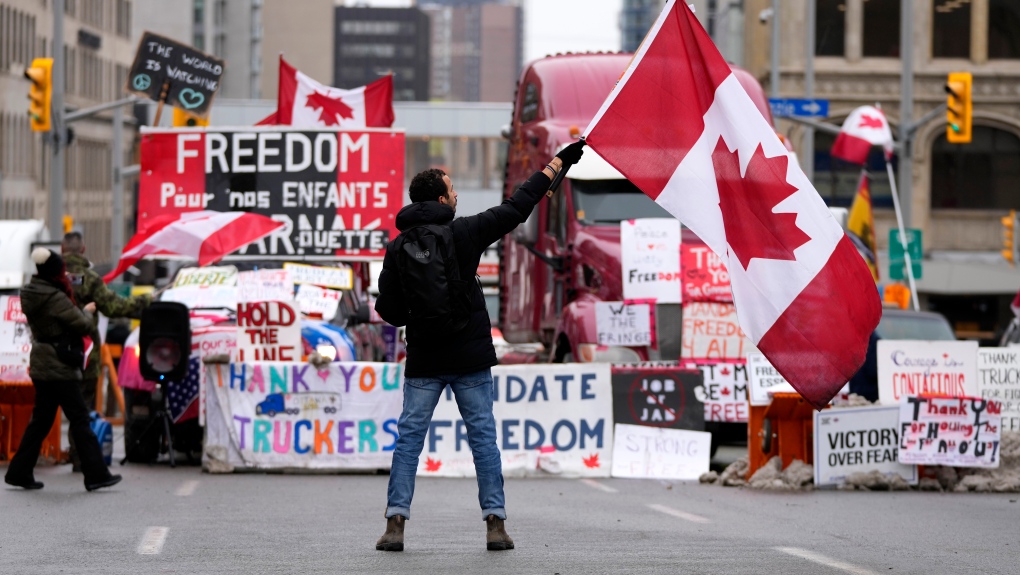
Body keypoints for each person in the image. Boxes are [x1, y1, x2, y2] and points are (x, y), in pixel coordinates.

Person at [374, 140, 586, 552]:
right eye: (453, 191)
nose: (457, 197)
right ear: (441, 199)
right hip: (470, 358)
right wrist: (558, 163)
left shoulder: (397, 247)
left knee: (409, 441)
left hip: (423, 361)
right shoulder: (465, 231)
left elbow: (391, 311)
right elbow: (517, 207)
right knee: (483, 440)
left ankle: (395, 524)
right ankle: (495, 524)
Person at [4, 248, 122, 491]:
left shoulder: (29, 293)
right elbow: (81, 325)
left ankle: (19, 472)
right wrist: (88, 313)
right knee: (80, 418)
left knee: (41, 420)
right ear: (54, 273)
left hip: (41, 363)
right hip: (59, 365)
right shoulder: (55, 298)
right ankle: (96, 474)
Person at [61, 231, 151, 470]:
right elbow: (113, 306)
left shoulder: (50, 277)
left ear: (61, 249)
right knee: (83, 407)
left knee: (46, 410)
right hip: (84, 352)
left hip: (53, 351)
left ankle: (25, 461)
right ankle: (81, 458)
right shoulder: (90, 279)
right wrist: (146, 302)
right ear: (83, 250)